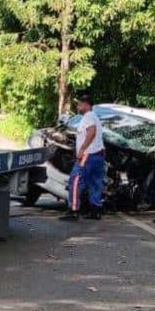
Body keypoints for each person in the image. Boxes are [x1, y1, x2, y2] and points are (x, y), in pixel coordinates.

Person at [59, 93, 105, 221]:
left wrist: (82, 149)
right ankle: (96, 210)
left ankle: (73, 210)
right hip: (98, 155)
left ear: (86, 105)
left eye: (79, 104)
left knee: (75, 180)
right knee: (95, 183)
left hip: (88, 155)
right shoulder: (95, 117)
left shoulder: (88, 116)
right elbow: (98, 137)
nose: (78, 107)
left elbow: (91, 132)